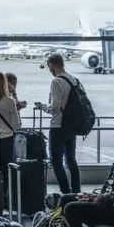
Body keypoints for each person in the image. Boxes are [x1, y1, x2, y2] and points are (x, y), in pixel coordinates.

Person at [44, 53, 82, 195]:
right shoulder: (74, 80)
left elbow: (55, 108)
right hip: (71, 125)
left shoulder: (56, 82)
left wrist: (43, 107)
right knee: (71, 160)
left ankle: (66, 193)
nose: (50, 70)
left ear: (52, 65)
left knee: (56, 161)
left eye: (49, 67)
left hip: (58, 126)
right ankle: (76, 191)